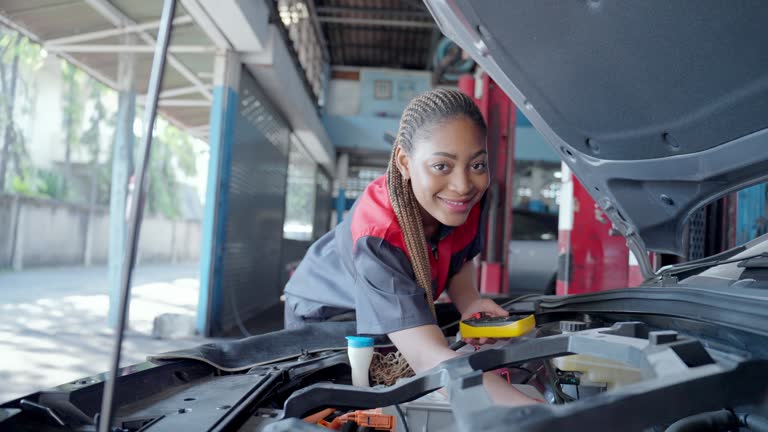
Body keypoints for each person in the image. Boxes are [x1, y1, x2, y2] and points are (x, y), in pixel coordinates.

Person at [284, 88, 533, 405]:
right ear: (404, 161)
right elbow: (428, 361)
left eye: (477, 165)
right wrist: (540, 415)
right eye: (442, 166)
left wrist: (469, 300)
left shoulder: (467, 200)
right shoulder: (378, 236)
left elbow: (458, 255)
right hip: (327, 315)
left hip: (389, 303)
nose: (463, 184)